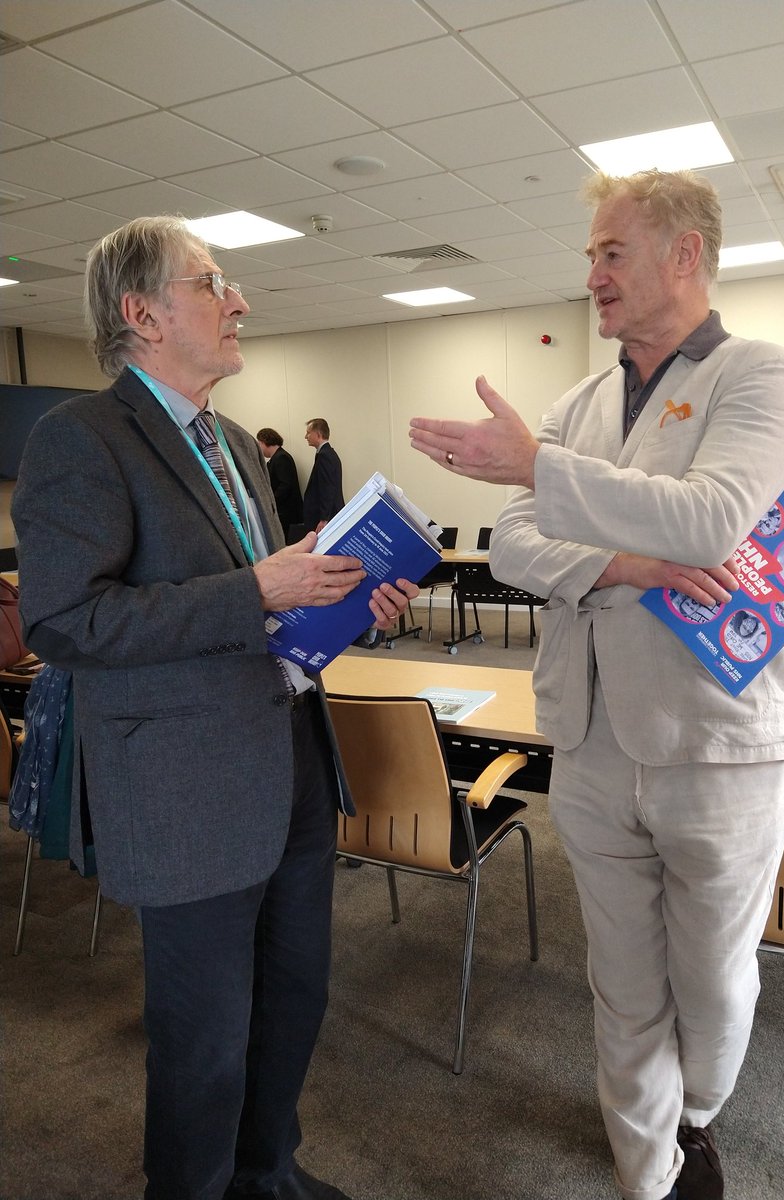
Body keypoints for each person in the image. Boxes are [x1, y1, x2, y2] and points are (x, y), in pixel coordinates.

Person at [409, 168, 784, 1200]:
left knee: (712, 981)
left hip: (718, 742)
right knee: (623, 979)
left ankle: (698, 1114)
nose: (590, 274)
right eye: (589, 254)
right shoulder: (580, 403)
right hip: (587, 736)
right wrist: (626, 563)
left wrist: (541, 469)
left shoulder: (759, 376)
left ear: (685, 254)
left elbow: (708, 520)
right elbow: (511, 543)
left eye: (611, 252)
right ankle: (652, 1175)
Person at [12, 215, 418, 1200]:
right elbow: (65, 622)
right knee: (203, 1037)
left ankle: (265, 1172)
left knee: (293, 999)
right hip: (185, 788)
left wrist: (345, 603)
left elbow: (263, 613)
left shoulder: (235, 443)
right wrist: (263, 590)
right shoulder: (80, 439)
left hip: (290, 759)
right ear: (140, 313)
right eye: (211, 283)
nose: (238, 300)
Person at [257, 427, 303, 540]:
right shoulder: (277, 458)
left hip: (286, 513)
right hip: (284, 512)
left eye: (259, 443)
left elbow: (285, 485)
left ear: (265, 441)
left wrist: (271, 501)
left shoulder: (281, 458)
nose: (259, 448)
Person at [303, 418, 344, 531]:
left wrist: (324, 519)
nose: (306, 436)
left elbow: (328, 488)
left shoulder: (324, 456)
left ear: (318, 434)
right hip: (327, 515)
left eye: (308, 433)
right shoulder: (327, 453)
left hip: (326, 517)